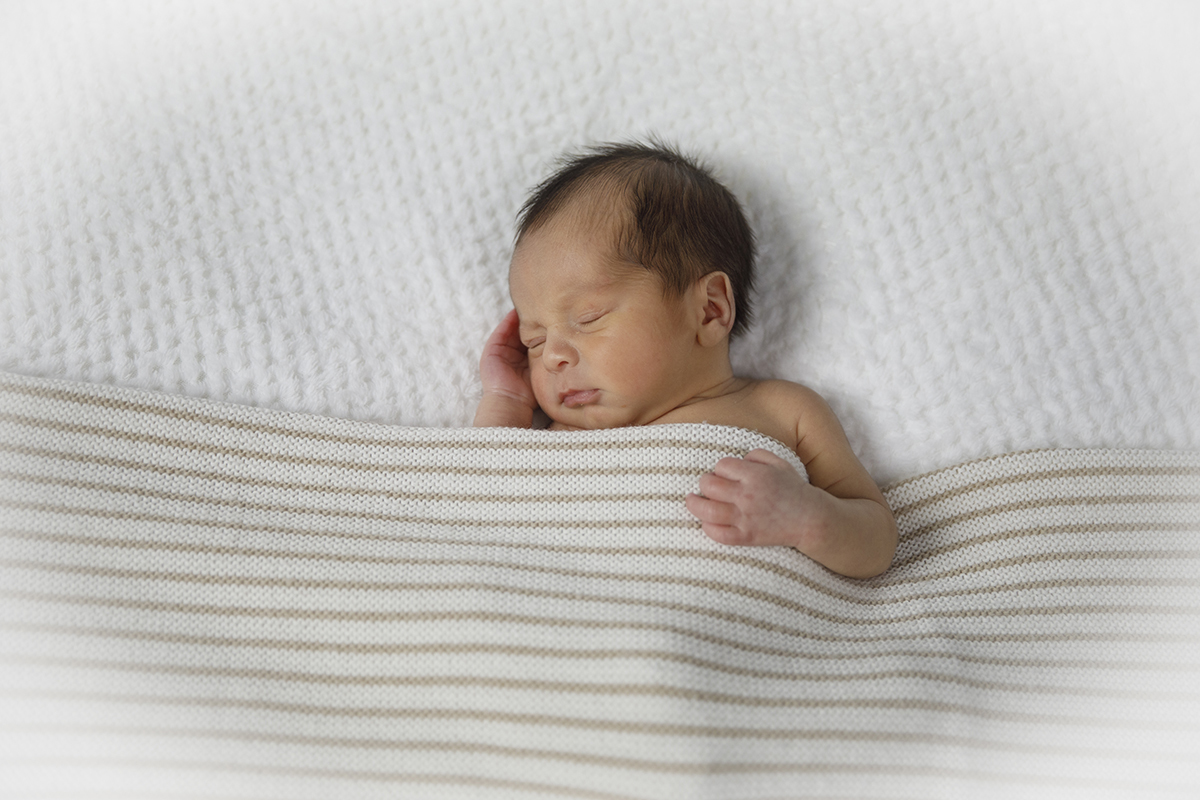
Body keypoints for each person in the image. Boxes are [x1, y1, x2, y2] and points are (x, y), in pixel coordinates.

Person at [474, 141, 896, 579]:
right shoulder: (561, 439)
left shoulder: (784, 411)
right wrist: (507, 401)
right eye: (534, 339)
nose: (552, 356)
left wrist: (807, 518)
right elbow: (483, 501)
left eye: (588, 318)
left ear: (709, 310)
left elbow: (878, 540)